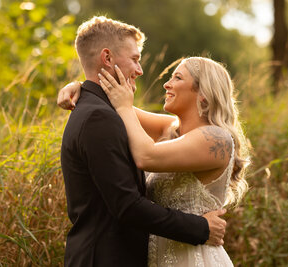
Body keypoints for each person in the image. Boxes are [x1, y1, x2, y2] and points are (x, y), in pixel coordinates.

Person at [60, 16, 227, 267]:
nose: (140, 70)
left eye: (177, 78)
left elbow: (129, 117)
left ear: (204, 94)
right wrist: (201, 227)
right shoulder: (99, 116)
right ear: (107, 58)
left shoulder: (212, 137)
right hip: (105, 258)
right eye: (136, 59)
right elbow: (127, 204)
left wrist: (84, 86)